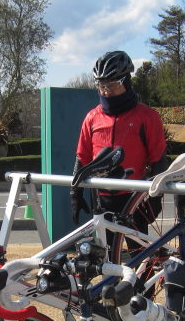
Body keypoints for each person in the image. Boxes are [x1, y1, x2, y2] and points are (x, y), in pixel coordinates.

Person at [71, 50, 169, 227]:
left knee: (138, 252)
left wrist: (156, 198)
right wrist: (75, 194)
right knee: (106, 252)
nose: (106, 92)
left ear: (127, 82)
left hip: (134, 196)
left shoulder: (147, 117)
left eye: (112, 85)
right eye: (101, 86)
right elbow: (82, 158)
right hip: (101, 197)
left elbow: (158, 159)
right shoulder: (92, 117)